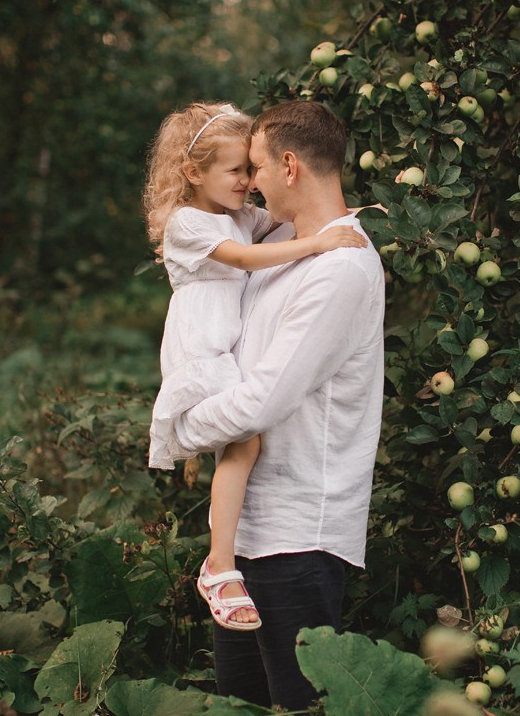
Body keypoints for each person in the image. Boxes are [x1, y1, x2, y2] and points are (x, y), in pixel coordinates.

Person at [171, 100, 385, 711]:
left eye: (257, 166)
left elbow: (260, 403)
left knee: (297, 706)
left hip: (298, 537)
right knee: (239, 704)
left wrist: (180, 429)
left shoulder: (341, 268)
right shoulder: (280, 243)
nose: (250, 183)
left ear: (289, 166)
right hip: (245, 537)